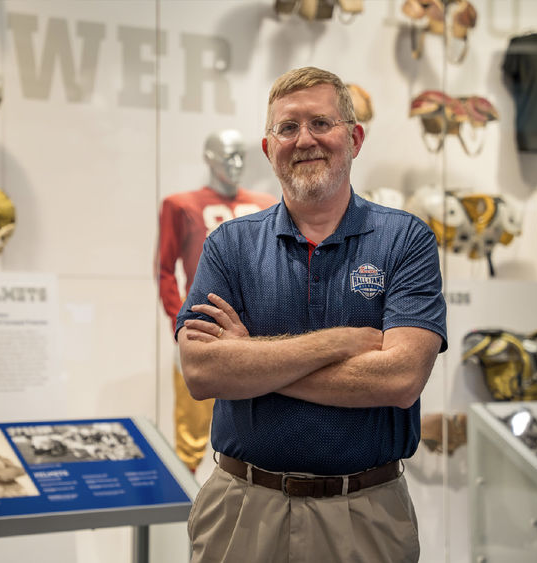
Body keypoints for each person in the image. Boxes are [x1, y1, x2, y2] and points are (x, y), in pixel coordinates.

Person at [176, 66, 447, 562]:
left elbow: (401, 377)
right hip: (241, 511)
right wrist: (339, 342)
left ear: (355, 137)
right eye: (287, 127)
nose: (305, 140)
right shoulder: (229, 246)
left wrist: (249, 362)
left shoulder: (406, 241)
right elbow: (201, 371)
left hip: (366, 514)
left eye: (321, 123)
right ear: (267, 147)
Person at [155, 130, 276, 473]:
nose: (236, 164)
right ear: (209, 158)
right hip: (203, 326)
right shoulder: (181, 205)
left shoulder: (266, 204)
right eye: (227, 156)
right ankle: (185, 507)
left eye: (241, 156)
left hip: (258, 329)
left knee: (260, 419)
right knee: (191, 431)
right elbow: (165, 269)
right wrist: (179, 323)